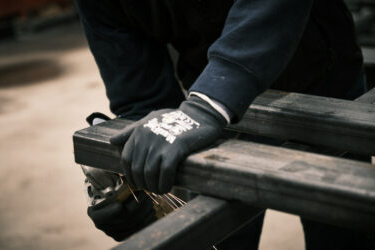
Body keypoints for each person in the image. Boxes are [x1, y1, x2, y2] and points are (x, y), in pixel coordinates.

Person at [75, 0, 372, 249]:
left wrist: (208, 104)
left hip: (318, 79)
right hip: (205, 99)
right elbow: (141, 96)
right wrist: (150, 190)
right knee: (219, 239)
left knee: (338, 231)